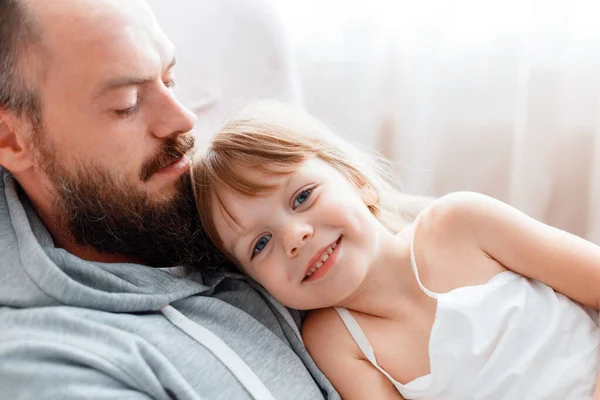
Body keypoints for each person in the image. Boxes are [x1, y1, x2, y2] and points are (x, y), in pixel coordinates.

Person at [0, 0, 340, 399]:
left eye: (170, 78)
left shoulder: (211, 197)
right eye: (126, 104)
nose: (183, 119)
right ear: (12, 139)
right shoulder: (49, 365)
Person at [192, 101, 600, 400]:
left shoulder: (460, 223)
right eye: (260, 244)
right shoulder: (336, 340)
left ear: (357, 182)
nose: (295, 237)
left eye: (301, 197)